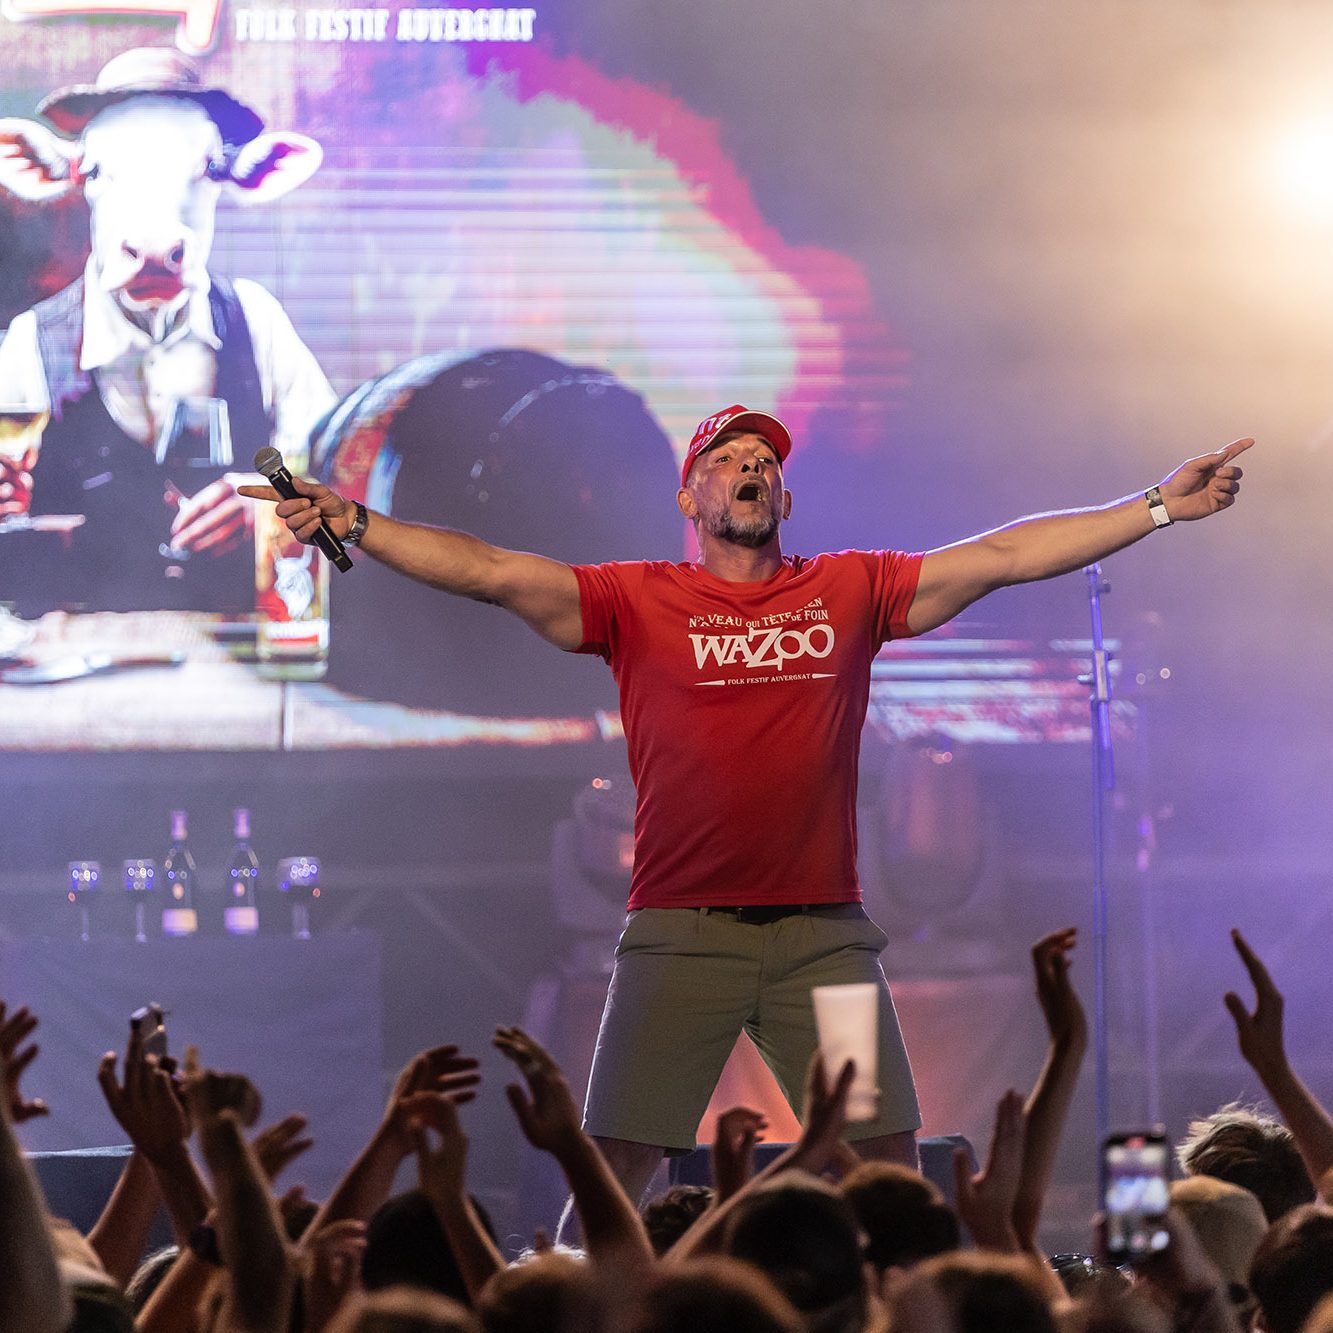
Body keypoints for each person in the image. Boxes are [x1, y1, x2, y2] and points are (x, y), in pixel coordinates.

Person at [241, 404, 1252, 1206]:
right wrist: (359, 523)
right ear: (690, 492)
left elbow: (995, 556)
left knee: (889, 1166)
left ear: (784, 492)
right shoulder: (634, 601)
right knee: (614, 1174)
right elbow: (494, 571)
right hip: (680, 938)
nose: (751, 467)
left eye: (764, 458)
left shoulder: (848, 589)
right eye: (728, 456)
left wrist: (1153, 507)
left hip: (827, 945)